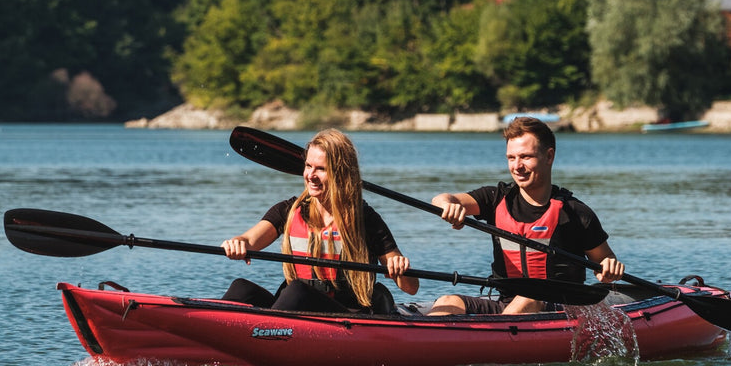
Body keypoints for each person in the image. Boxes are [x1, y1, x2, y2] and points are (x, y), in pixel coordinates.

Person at [428, 116, 624, 316]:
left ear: (549, 157)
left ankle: (494, 342)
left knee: (528, 298)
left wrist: (607, 268)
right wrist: (448, 207)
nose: (517, 166)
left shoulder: (576, 213)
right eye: (511, 158)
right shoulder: (495, 198)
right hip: (507, 305)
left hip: (560, 308)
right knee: (448, 301)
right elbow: (442, 198)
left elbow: (604, 260)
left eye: (525, 157)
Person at [221, 128, 419, 314]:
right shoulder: (289, 210)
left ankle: (266, 335)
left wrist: (399, 268)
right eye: (308, 166)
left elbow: (411, 287)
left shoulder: (365, 219)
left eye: (321, 169)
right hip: (298, 308)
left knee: (297, 290)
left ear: (340, 173)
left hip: (346, 316)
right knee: (241, 289)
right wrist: (237, 243)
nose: (311, 176)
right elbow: (249, 240)